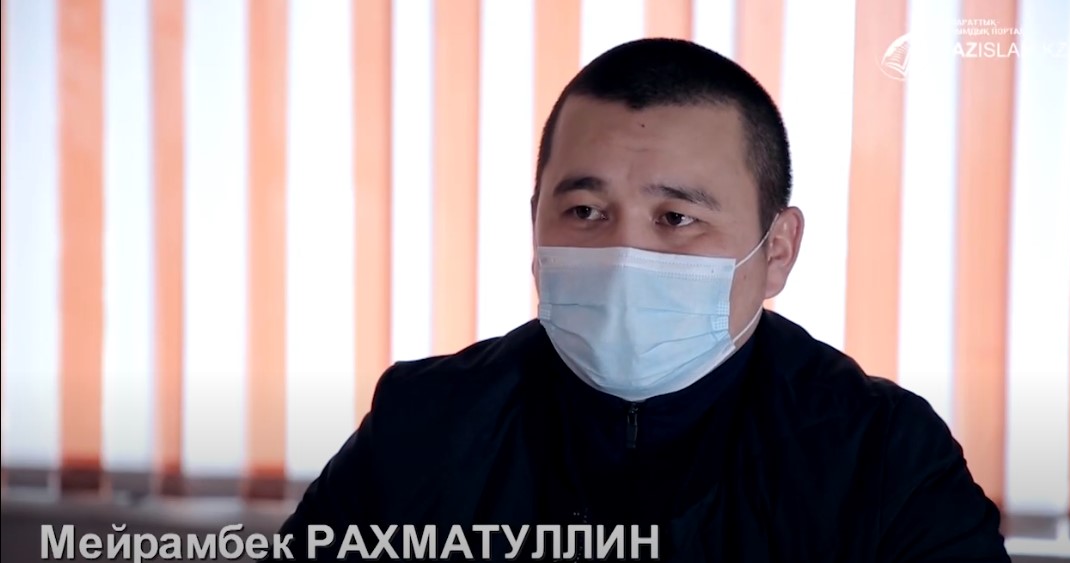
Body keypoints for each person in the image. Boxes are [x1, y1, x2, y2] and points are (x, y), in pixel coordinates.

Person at [271, 38, 1009, 562]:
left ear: (778, 250)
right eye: (585, 211)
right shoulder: (425, 424)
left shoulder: (879, 456)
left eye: (676, 218)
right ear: (535, 225)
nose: (624, 254)